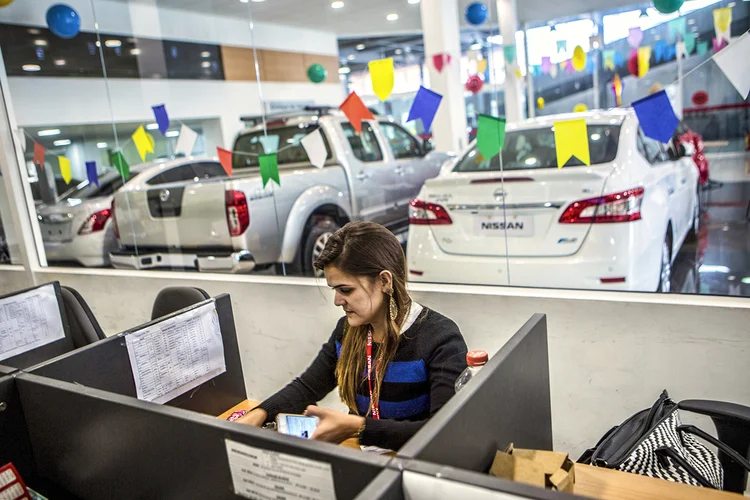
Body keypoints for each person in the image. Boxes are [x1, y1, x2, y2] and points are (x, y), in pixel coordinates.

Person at [238, 222, 468, 450]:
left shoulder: (441, 340)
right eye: (335, 290)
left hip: (412, 463)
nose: (337, 301)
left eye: (346, 290)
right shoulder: (347, 331)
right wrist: (259, 414)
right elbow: (308, 387)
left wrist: (358, 427)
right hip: (360, 452)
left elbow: (442, 432)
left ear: (385, 281)